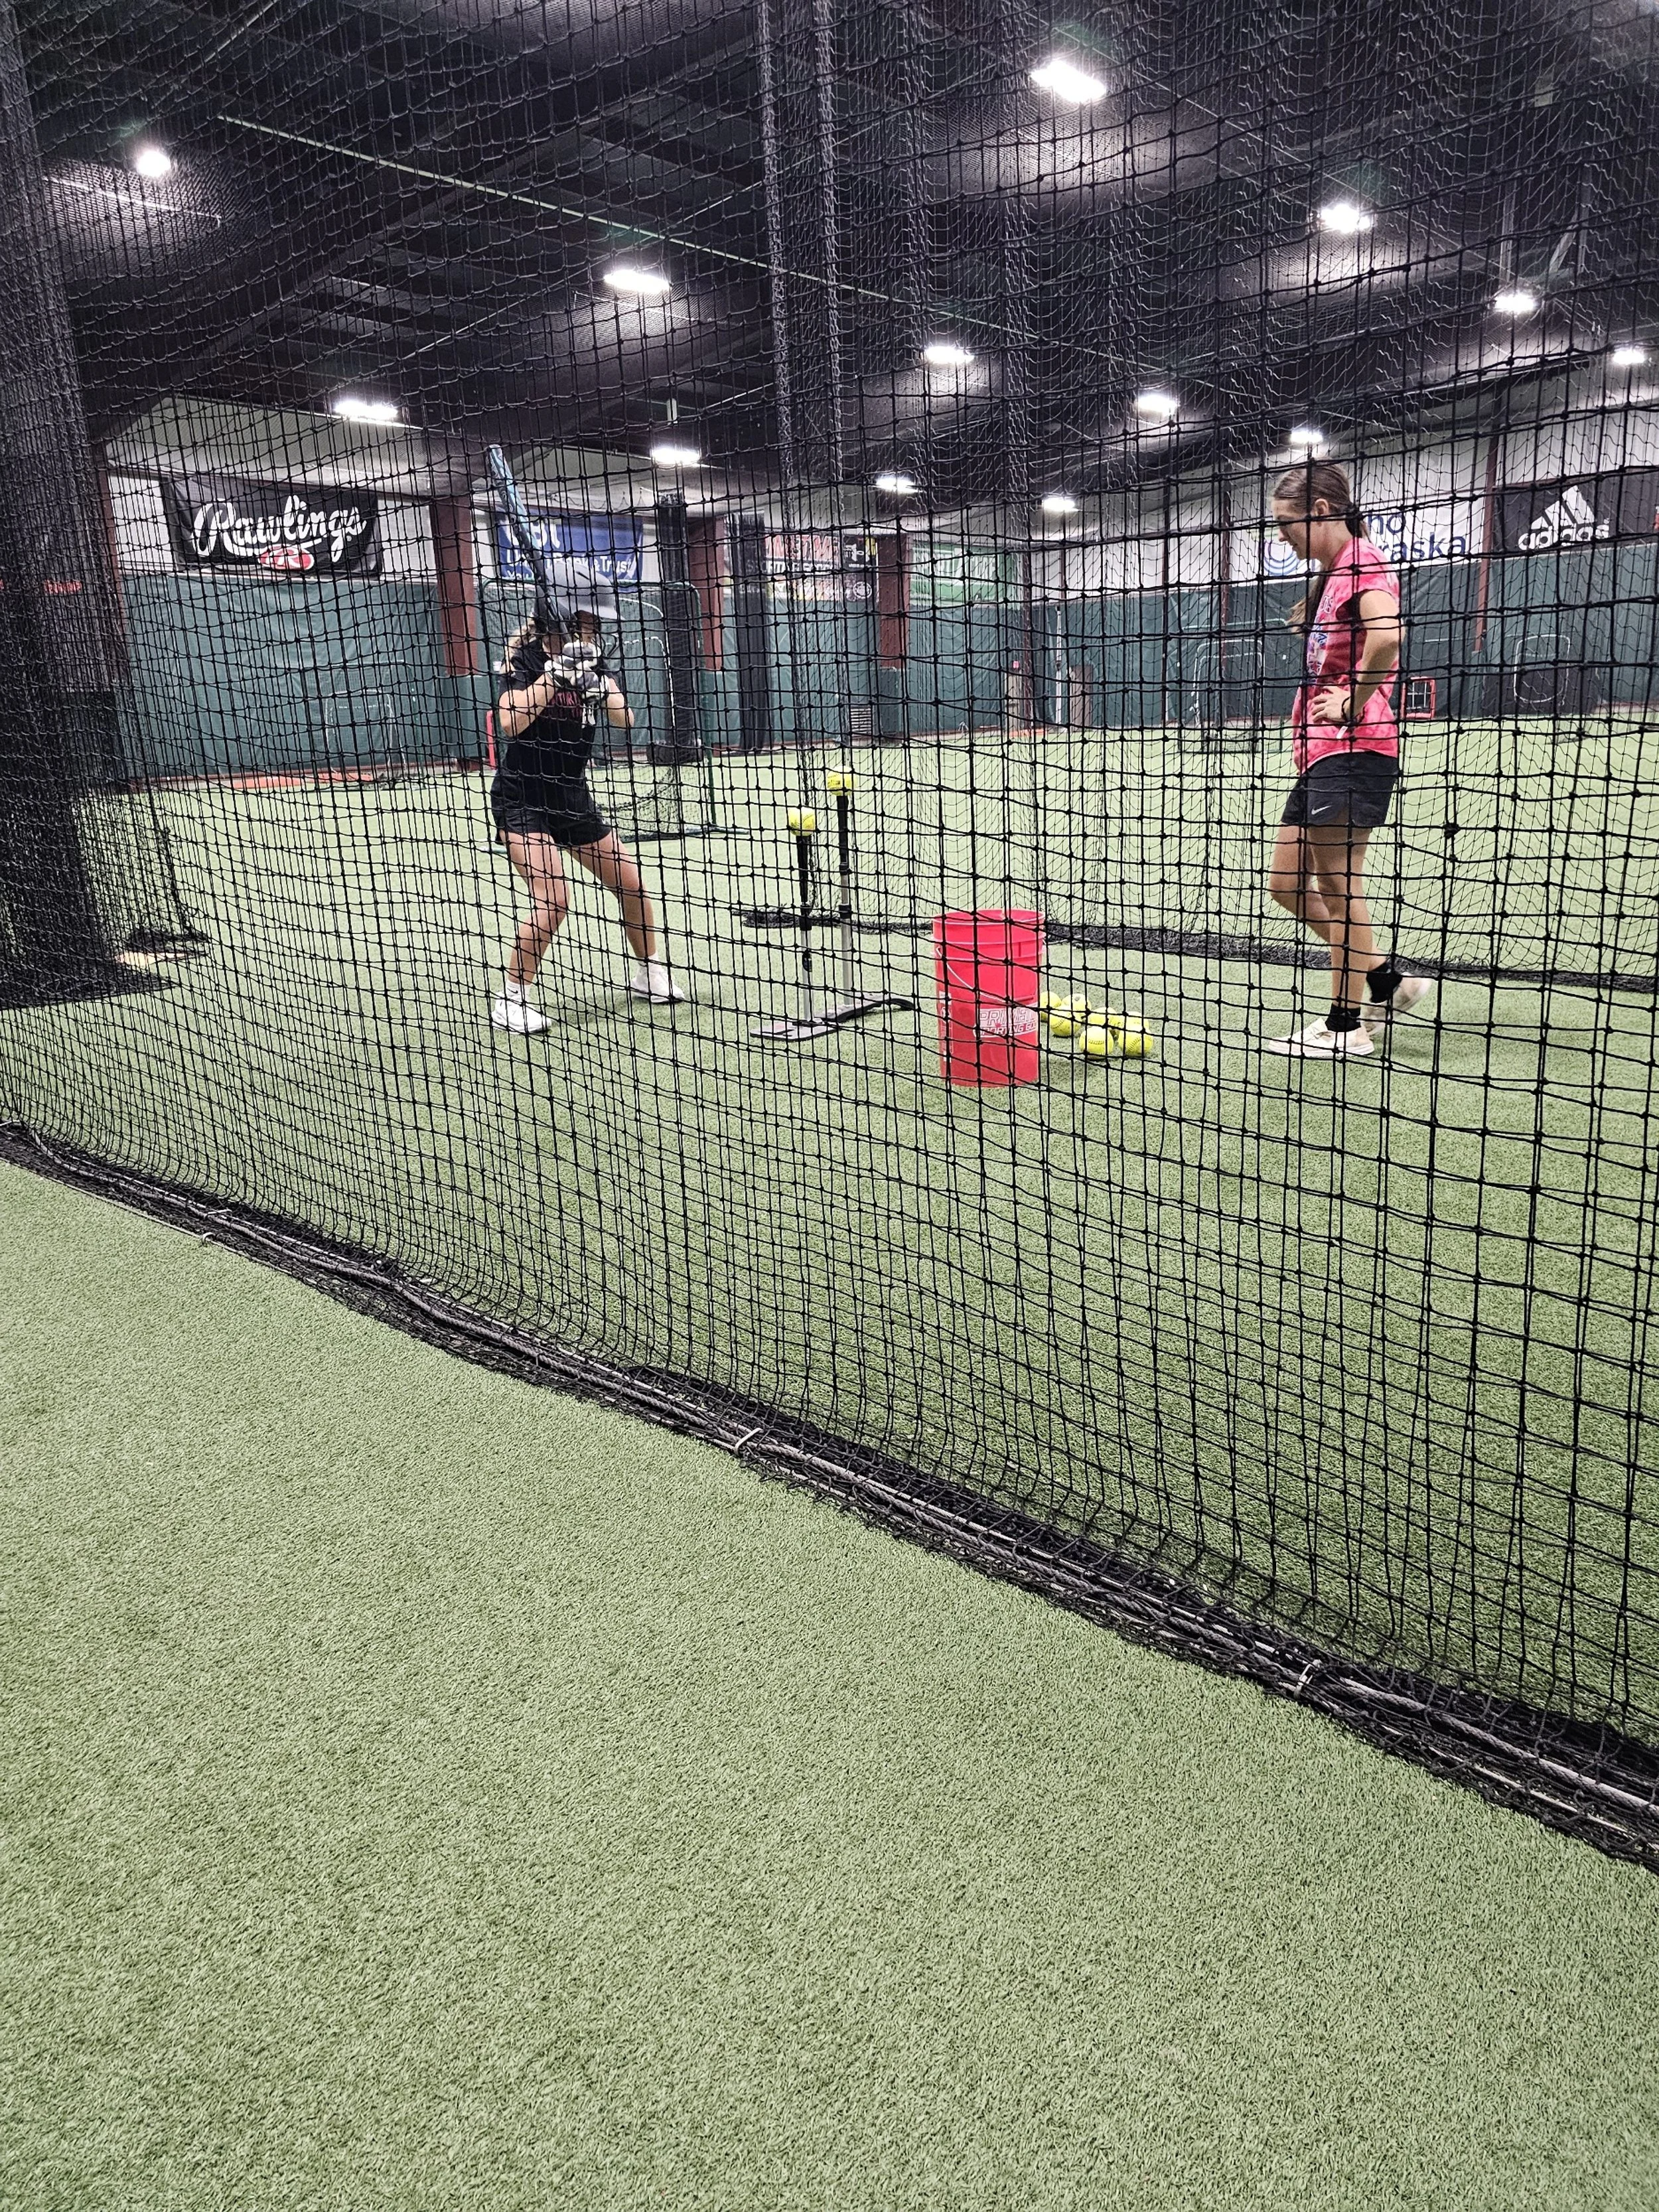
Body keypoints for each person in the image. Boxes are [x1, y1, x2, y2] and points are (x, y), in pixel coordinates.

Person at [1263, 460, 1434, 1059]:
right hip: (1323, 755)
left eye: (1286, 523)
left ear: (1319, 511)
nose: (1280, 536)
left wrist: (1354, 702)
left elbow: (1388, 637)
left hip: (1354, 750)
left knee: (1339, 887)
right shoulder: (1334, 573)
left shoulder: (1361, 562)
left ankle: (1346, 1025)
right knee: (1286, 884)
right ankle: (1387, 980)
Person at [488, 607, 684, 1034]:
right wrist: (555, 678)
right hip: (524, 797)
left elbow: (624, 719)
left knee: (630, 884)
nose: (586, 634)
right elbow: (510, 722)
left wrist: (597, 684)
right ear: (550, 630)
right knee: (554, 899)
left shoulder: (592, 659)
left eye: (590, 628)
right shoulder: (522, 661)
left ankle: (648, 972)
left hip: (572, 796)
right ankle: (510, 998)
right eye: (579, 628)